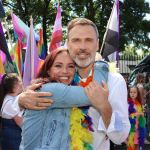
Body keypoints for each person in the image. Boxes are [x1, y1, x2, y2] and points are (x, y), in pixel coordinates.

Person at [15, 18, 130, 150]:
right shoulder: (61, 78)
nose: (82, 47)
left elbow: (120, 137)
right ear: (68, 44)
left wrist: (105, 108)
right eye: (76, 40)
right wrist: (20, 99)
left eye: (89, 40)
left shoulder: (114, 81)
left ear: (97, 44)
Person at [0, 73, 23, 150]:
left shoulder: (12, 98)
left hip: (12, 134)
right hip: (13, 135)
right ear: (13, 86)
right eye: (19, 82)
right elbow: (20, 122)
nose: (21, 83)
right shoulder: (9, 101)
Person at [127, 85, 146, 150]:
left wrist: (141, 114)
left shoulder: (139, 104)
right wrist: (138, 114)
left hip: (138, 128)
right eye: (131, 92)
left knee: (138, 144)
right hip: (130, 128)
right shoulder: (127, 103)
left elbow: (142, 116)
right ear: (128, 93)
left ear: (137, 94)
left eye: (134, 92)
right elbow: (127, 116)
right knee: (130, 144)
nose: (132, 94)